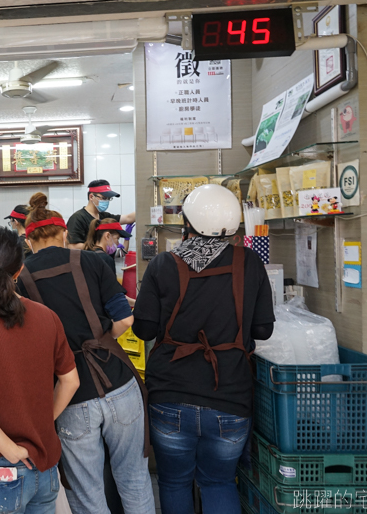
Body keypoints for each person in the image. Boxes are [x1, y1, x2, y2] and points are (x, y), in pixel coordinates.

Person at [132, 185, 275, 514]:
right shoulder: (249, 262)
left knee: (174, 481)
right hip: (230, 397)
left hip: (170, 396)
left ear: (188, 223)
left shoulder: (163, 265)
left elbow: (143, 330)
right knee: (219, 482)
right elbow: (263, 330)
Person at [16, 193, 154, 514]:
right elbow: (125, 319)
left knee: (87, 491)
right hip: (120, 386)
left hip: (71, 398)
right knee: (134, 479)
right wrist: (103, 340)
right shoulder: (94, 262)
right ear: (65, 233)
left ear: (28, 239)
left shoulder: (20, 280)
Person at [0, 227, 80, 514]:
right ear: (19, 270)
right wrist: (43, 421)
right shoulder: (48, 318)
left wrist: (8, 449)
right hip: (43, 464)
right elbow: (70, 381)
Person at [67, 180, 135, 250]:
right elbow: (72, 246)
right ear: (91, 197)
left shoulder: (104, 216)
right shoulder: (78, 218)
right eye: (104, 198)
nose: (106, 201)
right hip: (89, 259)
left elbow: (128, 218)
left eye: (108, 199)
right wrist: (99, 248)